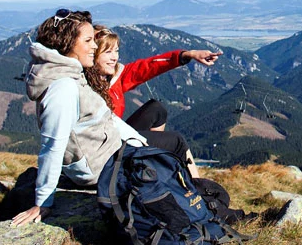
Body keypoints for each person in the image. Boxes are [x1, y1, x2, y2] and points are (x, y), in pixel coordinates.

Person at [11, 9, 150, 227]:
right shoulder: (63, 88)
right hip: (97, 166)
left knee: (161, 147)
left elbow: (107, 118)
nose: (95, 46)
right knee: (173, 145)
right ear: (67, 43)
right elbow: (53, 146)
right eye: (88, 40)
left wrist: (138, 141)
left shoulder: (70, 74)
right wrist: (43, 202)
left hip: (103, 153)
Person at [83, 25, 222, 178]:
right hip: (104, 152)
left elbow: (150, 65)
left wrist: (189, 54)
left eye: (116, 51)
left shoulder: (113, 78)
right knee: (176, 141)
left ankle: (152, 164)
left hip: (116, 137)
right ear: (92, 54)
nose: (114, 58)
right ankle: (198, 188)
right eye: (107, 52)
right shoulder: (83, 88)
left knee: (157, 109)